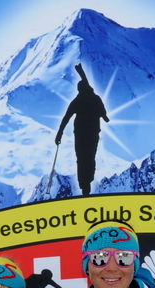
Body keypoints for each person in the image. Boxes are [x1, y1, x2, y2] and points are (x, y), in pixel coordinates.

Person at [54, 65, 110, 196]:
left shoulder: (77, 101)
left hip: (80, 135)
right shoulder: (95, 98)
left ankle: (84, 185)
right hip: (93, 134)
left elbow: (66, 118)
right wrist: (102, 116)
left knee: (81, 159)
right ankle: (88, 183)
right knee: (90, 157)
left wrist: (59, 134)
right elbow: (104, 115)